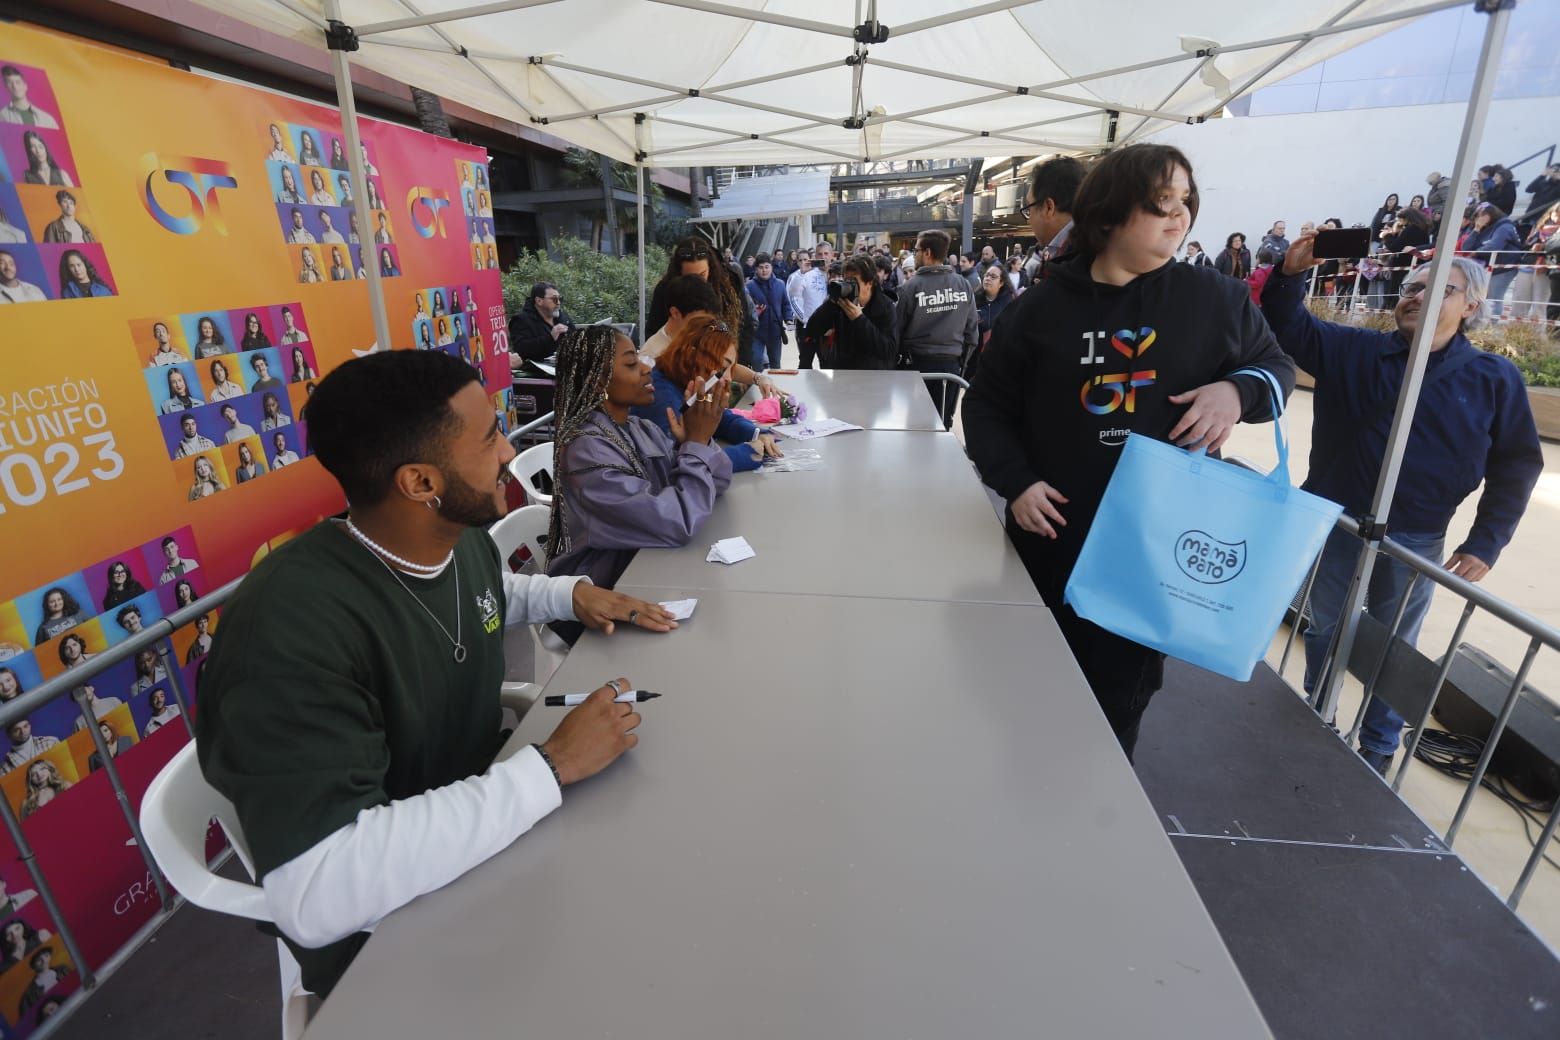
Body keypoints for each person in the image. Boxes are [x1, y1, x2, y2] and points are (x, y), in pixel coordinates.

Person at [195, 348, 670, 998]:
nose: (508, 451)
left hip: (493, 841)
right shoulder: (286, 630)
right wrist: (551, 767)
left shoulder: (451, 536)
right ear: (420, 483)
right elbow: (318, 892)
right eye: (489, 438)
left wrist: (568, 595)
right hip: (396, 938)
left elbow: (486, 592)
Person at [963, 143, 1295, 759]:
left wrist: (1236, 390)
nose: (1180, 216)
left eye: (1186, 201)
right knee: (1024, 696)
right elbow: (984, 406)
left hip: (1154, 557)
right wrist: (1016, 480)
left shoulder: (1214, 299)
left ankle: (1096, 829)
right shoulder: (1038, 309)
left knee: (1115, 711)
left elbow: (1277, 370)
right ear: (1110, 214)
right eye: (1161, 202)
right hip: (1049, 544)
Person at [1264, 242, 1543, 772]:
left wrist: (1486, 541)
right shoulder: (1353, 350)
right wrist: (1288, 274)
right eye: (1412, 286)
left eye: (1440, 288)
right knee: (1325, 628)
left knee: (1395, 647)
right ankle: (1318, 714)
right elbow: (1287, 323)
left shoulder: (1493, 378)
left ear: (1471, 307)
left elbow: (1516, 465)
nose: (1418, 295)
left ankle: (1379, 745)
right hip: (1337, 522)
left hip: (1416, 538)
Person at [544, 325, 730, 627]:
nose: (647, 368)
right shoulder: (585, 449)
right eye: (631, 363)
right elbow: (679, 522)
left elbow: (719, 483)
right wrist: (694, 446)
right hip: (603, 598)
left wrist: (698, 440)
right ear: (596, 382)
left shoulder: (641, 428)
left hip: (646, 568)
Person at [633, 316, 782, 474]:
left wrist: (757, 433)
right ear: (693, 355)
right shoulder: (662, 396)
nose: (729, 378)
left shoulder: (684, 382)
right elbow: (677, 465)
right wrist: (747, 453)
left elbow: (718, 417)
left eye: (730, 369)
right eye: (723, 367)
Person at [895, 229, 978, 429]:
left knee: (916, 427)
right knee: (943, 425)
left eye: (915, 250)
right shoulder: (963, 285)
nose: (913, 255)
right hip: (951, 368)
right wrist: (961, 362)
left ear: (927, 253)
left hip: (917, 367)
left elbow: (896, 331)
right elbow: (972, 331)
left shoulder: (911, 287)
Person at [647, 237, 758, 368]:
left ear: (711, 267)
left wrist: (739, 364)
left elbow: (744, 324)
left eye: (702, 275)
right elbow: (654, 329)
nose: (697, 282)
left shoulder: (728, 284)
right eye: (690, 277)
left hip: (727, 361)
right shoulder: (666, 290)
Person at [803, 254, 897, 371]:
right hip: (843, 377)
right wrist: (831, 303)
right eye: (846, 280)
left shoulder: (886, 307)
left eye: (854, 281)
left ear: (869, 283)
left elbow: (889, 351)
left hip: (874, 379)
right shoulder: (840, 303)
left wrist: (859, 319)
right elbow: (812, 330)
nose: (849, 286)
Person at [1462, 203, 1524, 317]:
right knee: (1483, 297)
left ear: (1491, 214)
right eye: (1477, 215)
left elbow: (1495, 245)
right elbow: (1465, 247)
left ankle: (1491, 326)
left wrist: (1475, 252)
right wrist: (1476, 229)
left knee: (1494, 297)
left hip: (1504, 267)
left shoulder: (1505, 226)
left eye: (1483, 215)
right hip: (1487, 266)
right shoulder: (1481, 228)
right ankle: (1482, 323)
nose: (1479, 218)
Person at [969, 263, 1017, 383]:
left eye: (993, 276)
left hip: (998, 363)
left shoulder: (1009, 303)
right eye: (987, 275)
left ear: (1001, 283)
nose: (988, 278)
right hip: (974, 361)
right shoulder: (974, 299)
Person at [745, 253, 793, 370]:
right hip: (757, 332)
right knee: (756, 361)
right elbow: (745, 308)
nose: (764, 270)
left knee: (776, 364)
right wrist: (755, 312)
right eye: (761, 267)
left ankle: (776, 386)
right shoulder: (749, 286)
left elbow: (785, 304)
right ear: (756, 269)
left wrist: (788, 319)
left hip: (775, 332)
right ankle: (757, 385)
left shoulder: (780, 284)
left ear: (771, 267)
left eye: (767, 267)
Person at [1380, 207, 1432, 308]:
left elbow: (1395, 247)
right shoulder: (1423, 228)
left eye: (1400, 219)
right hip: (1416, 264)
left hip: (1404, 265)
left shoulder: (1410, 229)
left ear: (1406, 218)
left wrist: (1386, 236)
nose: (1399, 222)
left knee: (1395, 293)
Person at [508, 282, 573, 362]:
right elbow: (521, 349)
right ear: (539, 301)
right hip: (538, 371)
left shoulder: (563, 317)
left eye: (560, 299)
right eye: (554, 299)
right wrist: (550, 338)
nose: (558, 303)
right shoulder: (521, 320)